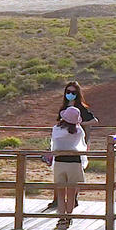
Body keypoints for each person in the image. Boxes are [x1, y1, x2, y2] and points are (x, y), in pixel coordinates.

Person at [45, 81, 97, 221]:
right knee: (70, 187)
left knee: (63, 189)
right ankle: (69, 215)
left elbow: (94, 121)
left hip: (63, 156)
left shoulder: (80, 110)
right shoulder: (77, 130)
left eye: (73, 92)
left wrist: (77, 124)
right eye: (68, 91)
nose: (70, 94)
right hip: (74, 155)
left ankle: (62, 215)